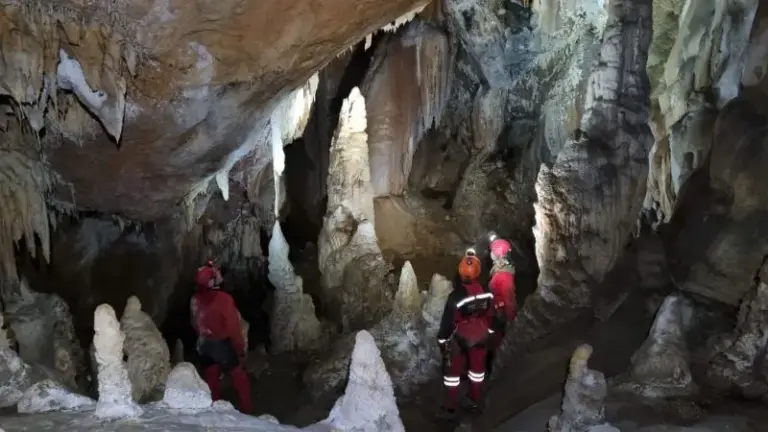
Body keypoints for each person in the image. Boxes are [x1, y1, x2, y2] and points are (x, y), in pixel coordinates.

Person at [436, 248, 495, 419]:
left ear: (461, 273)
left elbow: (447, 322)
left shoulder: (456, 296)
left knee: (452, 373)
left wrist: (442, 340)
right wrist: (489, 332)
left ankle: (451, 407)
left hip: (460, 336)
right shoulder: (487, 291)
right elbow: (491, 315)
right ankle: (473, 399)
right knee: (477, 371)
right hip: (481, 335)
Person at [190, 260, 252, 414]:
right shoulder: (223, 299)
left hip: (204, 345)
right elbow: (233, 326)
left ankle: (214, 406)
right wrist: (239, 347)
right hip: (222, 345)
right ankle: (247, 408)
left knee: (211, 377)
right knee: (238, 375)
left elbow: (194, 323)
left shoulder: (195, 300)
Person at [485, 231, 518, 375]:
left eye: (492, 251)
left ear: (498, 254)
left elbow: (509, 299)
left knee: (497, 340)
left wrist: (509, 319)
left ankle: (494, 367)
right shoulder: (500, 268)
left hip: (500, 315)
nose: (490, 253)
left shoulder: (504, 275)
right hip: (495, 310)